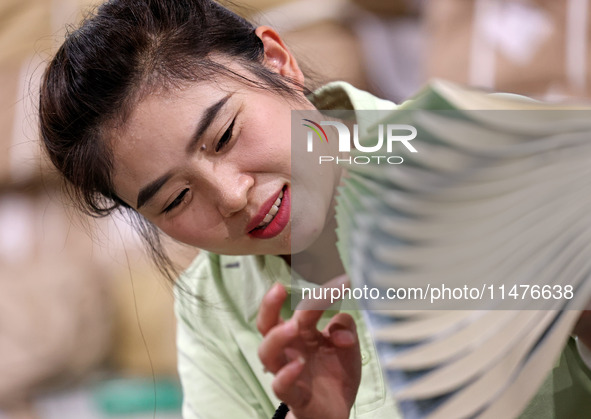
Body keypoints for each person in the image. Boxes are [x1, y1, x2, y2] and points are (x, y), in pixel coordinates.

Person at [38, 0, 591, 418]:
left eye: (226, 135)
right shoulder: (215, 304)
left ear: (279, 62)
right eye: (176, 198)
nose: (232, 195)